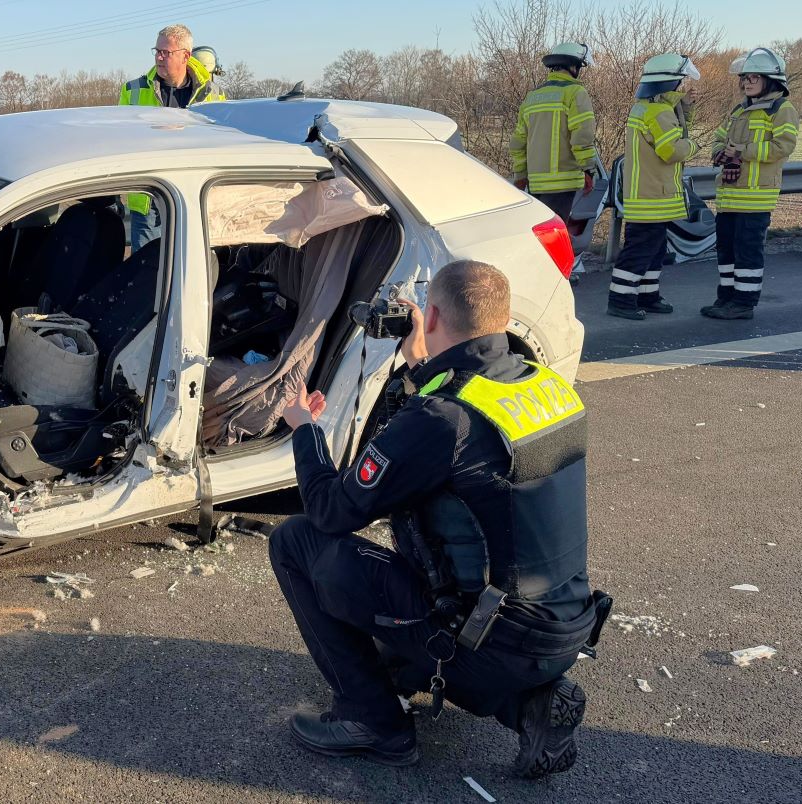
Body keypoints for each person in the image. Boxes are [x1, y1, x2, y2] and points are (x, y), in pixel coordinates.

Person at [270, 260, 604, 778]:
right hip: (563, 623)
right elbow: (424, 450)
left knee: (297, 542)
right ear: (504, 317)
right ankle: (528, 706)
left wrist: (305, 430)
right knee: (392, 654)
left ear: (430, 317)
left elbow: (335, 510)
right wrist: (418, 369)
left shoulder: (444, 417)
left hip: (487, 632)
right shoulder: (544, 385)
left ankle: (373, 723)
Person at [703, 48, 800, 320]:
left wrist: (741, 150)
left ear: (771, 79)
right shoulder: (739, 109)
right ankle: (726, 298)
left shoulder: (782, 110)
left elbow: (782, 147)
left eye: (753, 77)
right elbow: (718, 139)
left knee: (747, 252)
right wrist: (721, 151)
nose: (746, 83)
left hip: (756, 197)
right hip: (729, 195)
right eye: (744, 78)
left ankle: (744, 303)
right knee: (726, 250)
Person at [116, 24, 226, 252]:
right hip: (148, 199)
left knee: (190, 268)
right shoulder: (133, 90)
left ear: (185, 55)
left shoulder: (213, 95)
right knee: (144, 273)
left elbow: (221, 145)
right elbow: (118, 143)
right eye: (157, 51)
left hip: (195, 199)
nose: (159, 57)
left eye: (166, 52)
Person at [610, 53, 701, 320]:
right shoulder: (659, 112)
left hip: (646, 193)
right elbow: (671, 150)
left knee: (654, 249)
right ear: (672, 81)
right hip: (652, 195)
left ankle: (647, 296)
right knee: (640, 250)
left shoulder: (647, 107)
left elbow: (670, 132)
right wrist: (695, 146)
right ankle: (621, 299)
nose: (685, 85)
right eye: (682, 80)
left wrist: (685, 110)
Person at [510, 42, 599, 233]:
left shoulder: (532, 96)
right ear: (573, 66)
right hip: (563, 182)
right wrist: (589, 169)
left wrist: (520, 175)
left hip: (535, 183)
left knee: (540, 235)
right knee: (555, 238)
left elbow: (518, 141)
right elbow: (582, 137)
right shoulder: (575, 93)